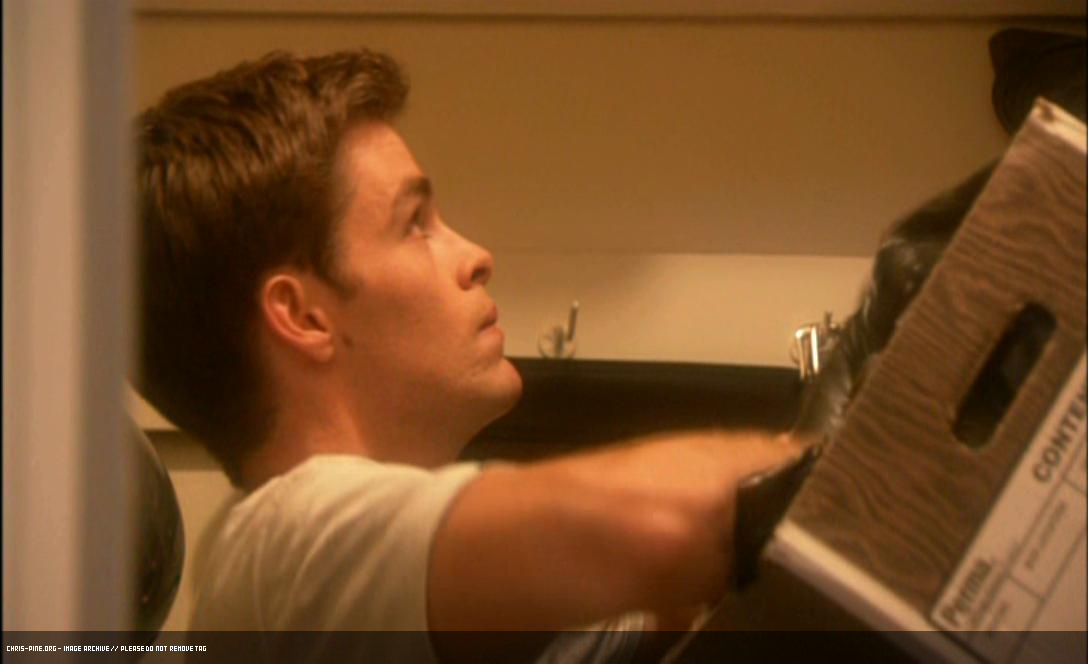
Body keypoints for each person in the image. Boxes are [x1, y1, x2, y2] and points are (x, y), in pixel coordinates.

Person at [135, 48, 806, 662]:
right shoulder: (288, 547)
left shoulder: (352, 590)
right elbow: (667, 522)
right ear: (303, 316)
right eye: (415, 225)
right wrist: (833, 460)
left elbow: (662, 616)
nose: (476, 256)